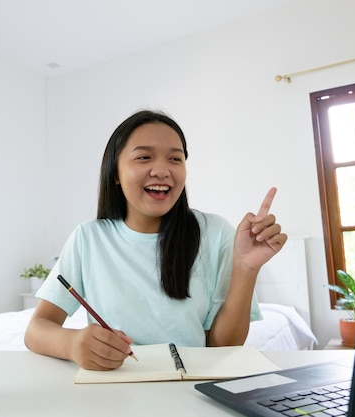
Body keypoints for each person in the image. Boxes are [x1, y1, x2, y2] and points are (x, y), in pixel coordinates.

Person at [24, 110, 287, 371]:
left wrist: (246, 269)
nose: (161, 170)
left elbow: (223, 347)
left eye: (175, 158)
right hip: (112, 388)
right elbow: (36, 330)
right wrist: (73, 344)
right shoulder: (88, 238)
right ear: (115, 172)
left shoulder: (215, 232)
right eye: (144, 157)